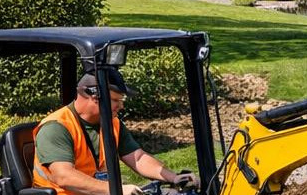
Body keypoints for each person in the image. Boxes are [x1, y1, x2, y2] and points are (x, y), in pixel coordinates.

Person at [33, 69, 198, 195]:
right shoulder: (56, 127)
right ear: (93, 96)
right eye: (116, 100)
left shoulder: (111, 123)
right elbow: (64, 177)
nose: (121, 106)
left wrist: (173, 178)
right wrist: (116, 190)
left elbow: (138, 158)